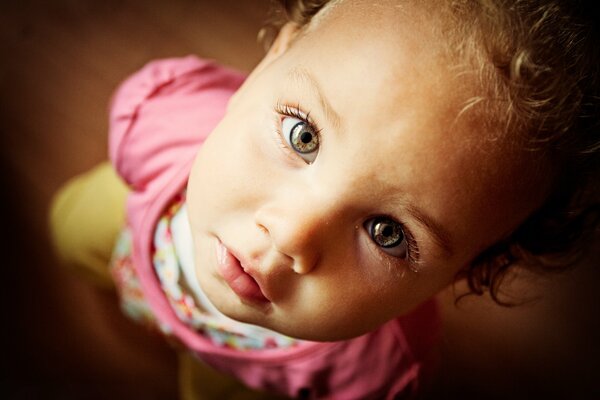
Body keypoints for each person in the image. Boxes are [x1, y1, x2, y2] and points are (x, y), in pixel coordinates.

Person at [49, 0, 599, 398]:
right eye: (303, 136)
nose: (291, 235)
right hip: (128, 232)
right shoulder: (164, 115)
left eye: (388, 233)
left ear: (462, 272)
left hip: (234, 373)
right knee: (71, 229)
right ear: (272, 60)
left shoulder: (373, 374)